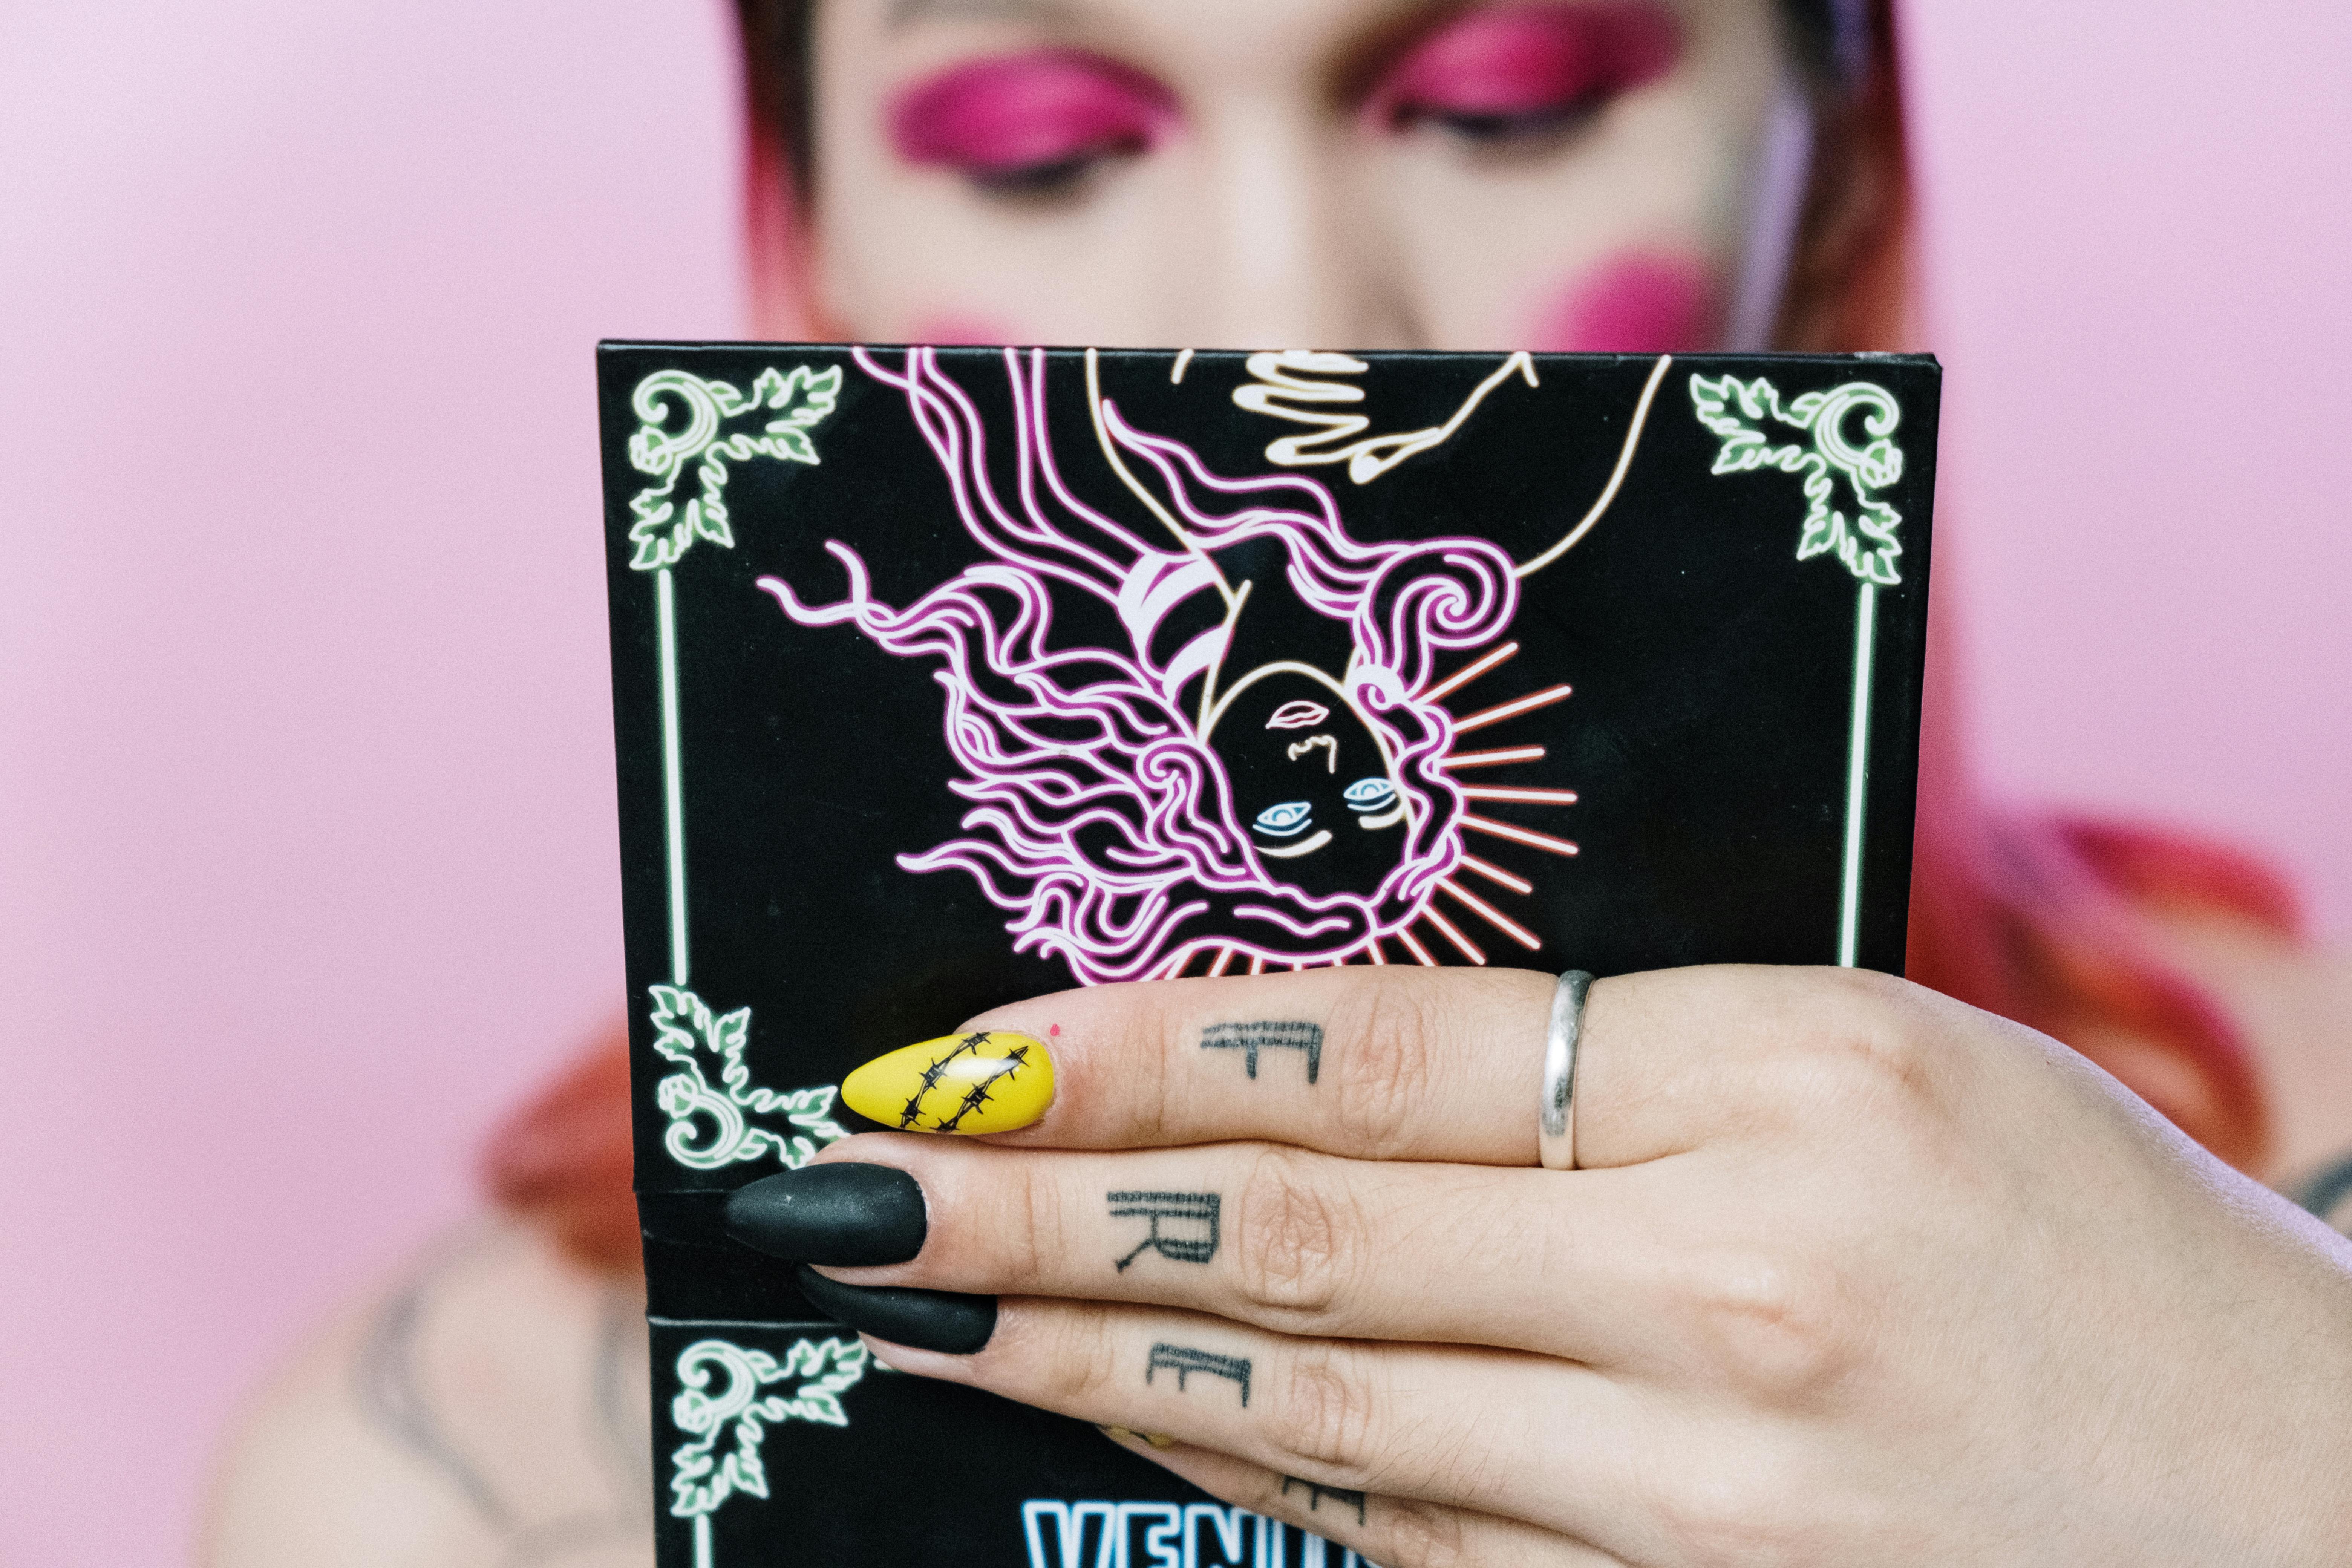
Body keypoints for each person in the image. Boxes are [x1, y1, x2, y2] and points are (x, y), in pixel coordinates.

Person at [201, 1, 2352, 1563]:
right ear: (819, 231)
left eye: (1501, 107)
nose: (1288, 317)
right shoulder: (447, 1483)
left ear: (1839, 133)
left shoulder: (2286, 1278)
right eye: (1045, 146)